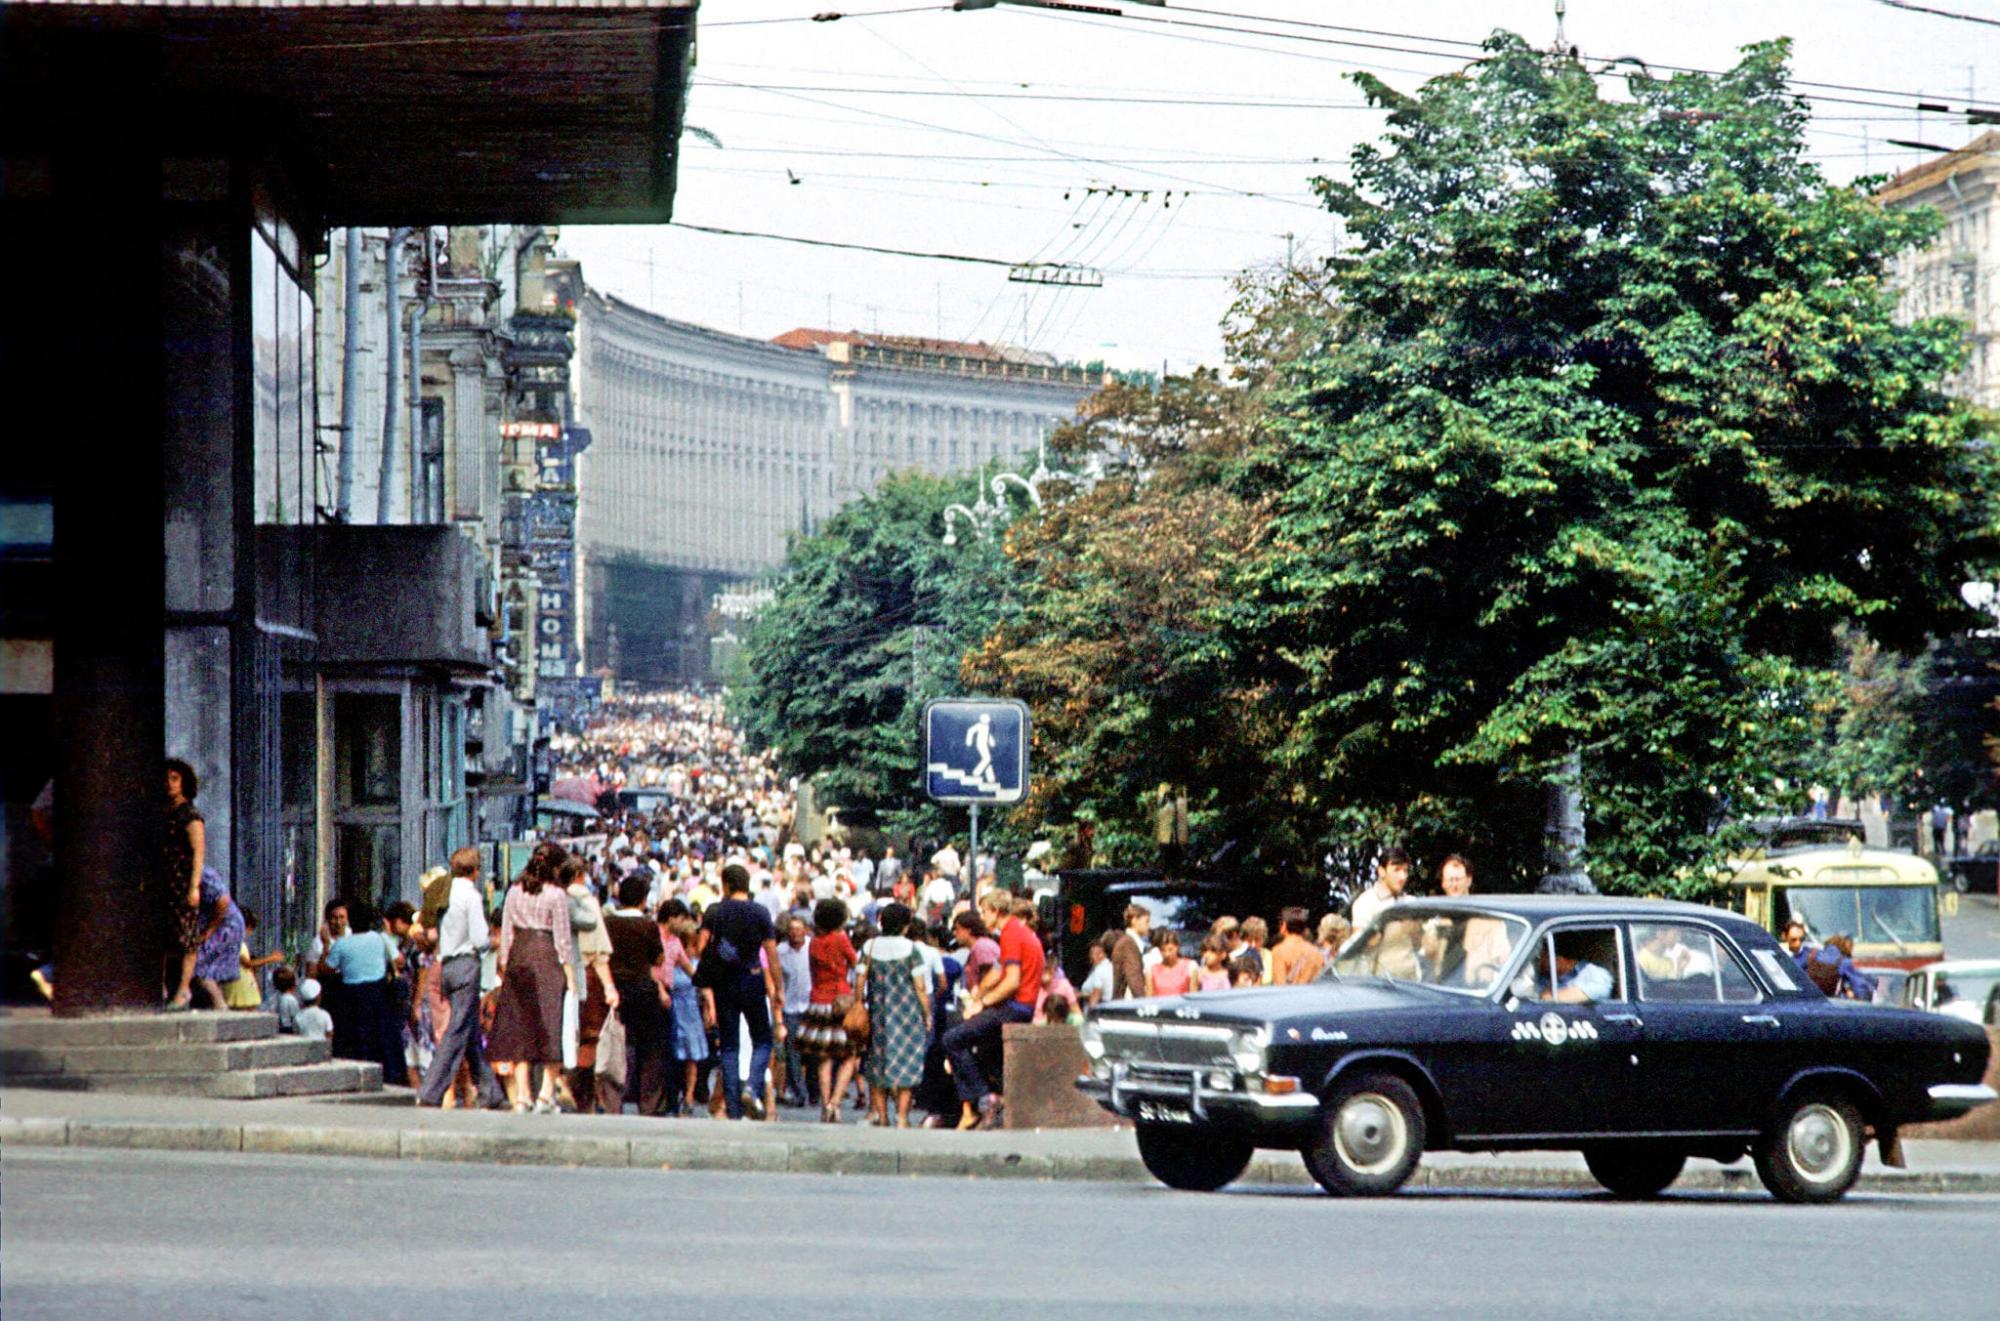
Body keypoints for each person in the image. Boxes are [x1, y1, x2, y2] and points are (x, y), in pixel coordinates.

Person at [940, 888, 1040, 1130]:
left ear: (996, 911)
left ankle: (984, 1099)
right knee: (984, 1050)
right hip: (1022, 1005)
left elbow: (1012, 980)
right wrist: (980, 994)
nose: (982, 918)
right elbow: (998, 972)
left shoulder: (1011, 934)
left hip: (1016, 1006)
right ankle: (993, 1098)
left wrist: (982, 1003)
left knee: (953, 1039)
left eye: (985, 911)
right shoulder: (1017, 932)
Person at [417, 847, 507, 1110]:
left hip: (445, 964)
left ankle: (491, 1092)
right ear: (476, 871)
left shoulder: (444, 891)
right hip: (467, 965)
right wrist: (494, 941)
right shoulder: (471, 896)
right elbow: (479, 939)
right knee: (457, 1030)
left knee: (470, 1033)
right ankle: (430, 1091)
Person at [490, 844, 576, 1114]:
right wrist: (571, 978)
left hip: (518, 957)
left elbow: (506, 933)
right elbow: (563, 940)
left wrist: (504, 965)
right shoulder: (556, 895)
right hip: (546, 957)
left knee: (521, 1029)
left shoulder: (514, 891)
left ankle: (522, 1095)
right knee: (552, 1027)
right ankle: (546, 1094)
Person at [695, 863, 783, 1122]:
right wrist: (777, 988)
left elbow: (702, 946)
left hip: (724, 982)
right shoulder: (760, 912)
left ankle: (732, 1108)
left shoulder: (715, 911)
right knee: (763, 1040)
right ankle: (753, 1087)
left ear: (726, 885)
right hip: (753, 978)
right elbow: (772, 953)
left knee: (730, 1045)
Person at [858, 902, 932, 1128]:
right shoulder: (911, 949)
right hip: (907, 1016)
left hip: (878, 1015)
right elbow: (920, 986)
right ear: (905, 926)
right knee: (908, 1064)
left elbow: (859, 980)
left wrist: (858, 1004)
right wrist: (927, 1013)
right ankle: (902, 1117)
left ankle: (882, 1116)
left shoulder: (869, 947)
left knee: (877, 1065)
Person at [601, 875, 669, 1116]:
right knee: (650, 1050)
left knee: (615, 1047)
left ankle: (612, 1103)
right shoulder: (648, 925)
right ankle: (648, 1104)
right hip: (643, 990)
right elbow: (658, 958)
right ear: (642, 899)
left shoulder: (608, 922)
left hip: (614, 989)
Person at [320, 899, 405, 1085]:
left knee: (355, 1038)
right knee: (380, 1038)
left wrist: (326, 944)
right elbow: (399, 960)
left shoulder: (342, 944)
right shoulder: (379, 938)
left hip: (352, 996)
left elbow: (325, 969)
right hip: (378, 993)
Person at [799, 897, 860, 1123]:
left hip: (818, 999)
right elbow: (855, 963)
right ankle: (836, 1102)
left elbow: (813, 973)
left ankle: (825, 1105)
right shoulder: (841, 938)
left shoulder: (813, 942)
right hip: (840, 998)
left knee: (824, 1057)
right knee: (850, 1055)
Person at [162, 759, 209, 1010]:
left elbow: (198, 853)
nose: (169, 784)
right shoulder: (161, 813)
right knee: (162, 938)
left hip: (182, 884)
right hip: (163, 883)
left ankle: (183, 989)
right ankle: (162, 987)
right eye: (167, 778)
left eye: (175, 778)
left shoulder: (190, 815)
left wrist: (194, 887)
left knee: (186, 939)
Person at [777, 915, 814, 1107]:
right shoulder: (780, 951)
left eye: (799, 929)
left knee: (814, 1051)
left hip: (811, 1005)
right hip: (790, 1006)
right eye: (792, 929)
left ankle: (813, 1090)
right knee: (792, 1052)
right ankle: (799, 1092)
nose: (795, 933)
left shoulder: (812, 947)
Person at [224, 907, 283, 1009]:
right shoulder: (234, 943)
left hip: (245, 982)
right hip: (239, 983)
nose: (249, 933)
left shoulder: (238, 943)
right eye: (249, 929)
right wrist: (270, 958)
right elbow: (247, 963)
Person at [1349, 847, 1412, 931]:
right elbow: (1361, 941)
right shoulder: (1365, 903)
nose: (1403, 877)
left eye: (1405, 871)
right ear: (1381, 871)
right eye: (1396, 870)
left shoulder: (1411, 902)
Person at [1803, 934, 1876, 1000]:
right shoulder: (1844, 961)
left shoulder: (1812, 955)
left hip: (1808, 999)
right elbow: (1860, 985)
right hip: (1830, 1001)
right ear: (1845, 946)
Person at [1269, 907, 1326, 986]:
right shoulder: (1316, 953)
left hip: (1291, 997)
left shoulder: (1279, 951)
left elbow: (1280, 985)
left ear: (1284, 925)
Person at [1539, 944, 1614, 1004]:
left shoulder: (1596, 974)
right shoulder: (1544, 979)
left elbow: (1580, 995)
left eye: (1541, 959)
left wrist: (1546, 996)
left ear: (1556, 958)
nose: (1539, 964)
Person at [1109, 904, 1150, 1000]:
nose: (1148, 926)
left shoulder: (1128, 942)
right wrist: (1144, 1004)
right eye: (1146, 921)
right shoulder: (1128, 944)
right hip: (1126, 1005)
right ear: (1134, 920)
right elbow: (1134, 979)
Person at [1146, 930, 1195, 997]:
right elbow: (1148, 999)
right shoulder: (1151, 971)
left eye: (1170, 949)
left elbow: (1194, 998)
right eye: (1163, 950)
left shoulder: (1190, 967)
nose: (1167, 954)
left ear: (1177, 947)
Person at [1077, 933, 1116, 1009]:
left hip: (1100, 1010)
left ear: (1101, 954)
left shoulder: (1101, 970)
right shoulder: (1098, 968)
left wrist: (1080, 995)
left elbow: (1097, 995)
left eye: (1092, 954)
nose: (1090, 957)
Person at [265, 965, 303, 1034]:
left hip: (278, 1028)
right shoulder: (291, 1000)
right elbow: (296, 1018)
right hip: (289, 1029)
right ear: (293, 984)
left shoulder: (274, 998)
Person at [295, 978, 333, 1042]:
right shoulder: (324, 1014)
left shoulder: (298, 1016)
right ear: (318, 997)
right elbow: (329, 1033)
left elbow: (296, 1034)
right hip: (321, 1049)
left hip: (304, 1048)